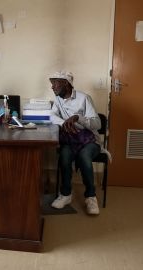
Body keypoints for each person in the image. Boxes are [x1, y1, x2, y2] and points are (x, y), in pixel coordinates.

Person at [49, 71, 102, 215]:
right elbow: (52, 115)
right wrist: (64, 122)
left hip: (89, 140)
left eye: (55, 83)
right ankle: (66, 194)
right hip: (71, 140)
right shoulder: (58, 100)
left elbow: (97, 124)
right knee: (65, 156)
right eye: (51, 84)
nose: (52, 87)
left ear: (66, 83)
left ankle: (91, 197)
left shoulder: (84, 98)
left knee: (84, 157)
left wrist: (78, 117)